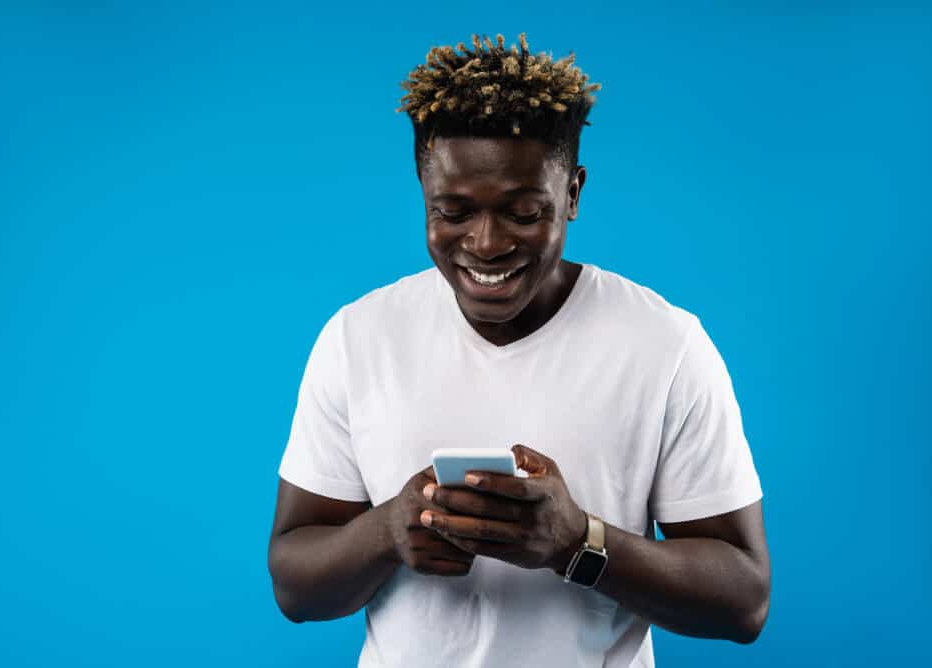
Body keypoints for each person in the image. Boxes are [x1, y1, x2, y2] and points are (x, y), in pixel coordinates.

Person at [267, 32, 770, 667]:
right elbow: (294, 587)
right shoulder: (358, 338)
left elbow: (743, 602)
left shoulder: (665, 345)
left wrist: (577, 543)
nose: (485, 243)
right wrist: (386, 532)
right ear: (424, 192)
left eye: (524, 213)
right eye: (452, 212)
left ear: (573, 194)